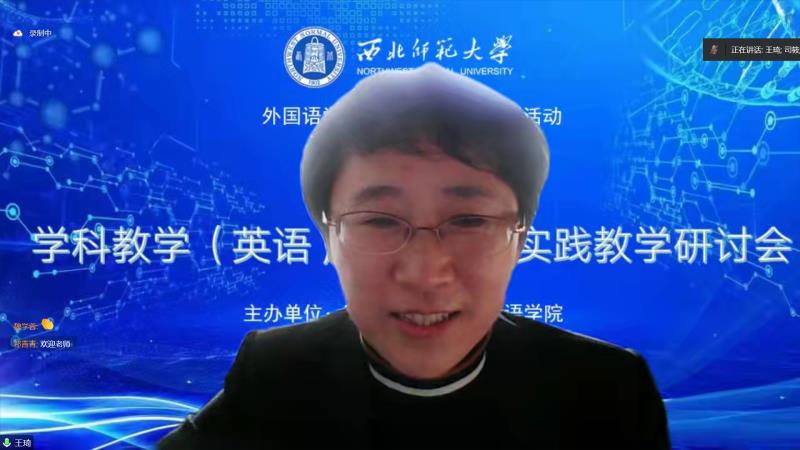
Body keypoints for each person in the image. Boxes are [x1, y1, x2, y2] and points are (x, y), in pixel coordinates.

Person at [157, 62, 670, 450]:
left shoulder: (608, 390)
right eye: (380, 220)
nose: (425, 273)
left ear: (521, 237)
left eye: (469, 222)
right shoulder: (275, 372)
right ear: (328, 237)